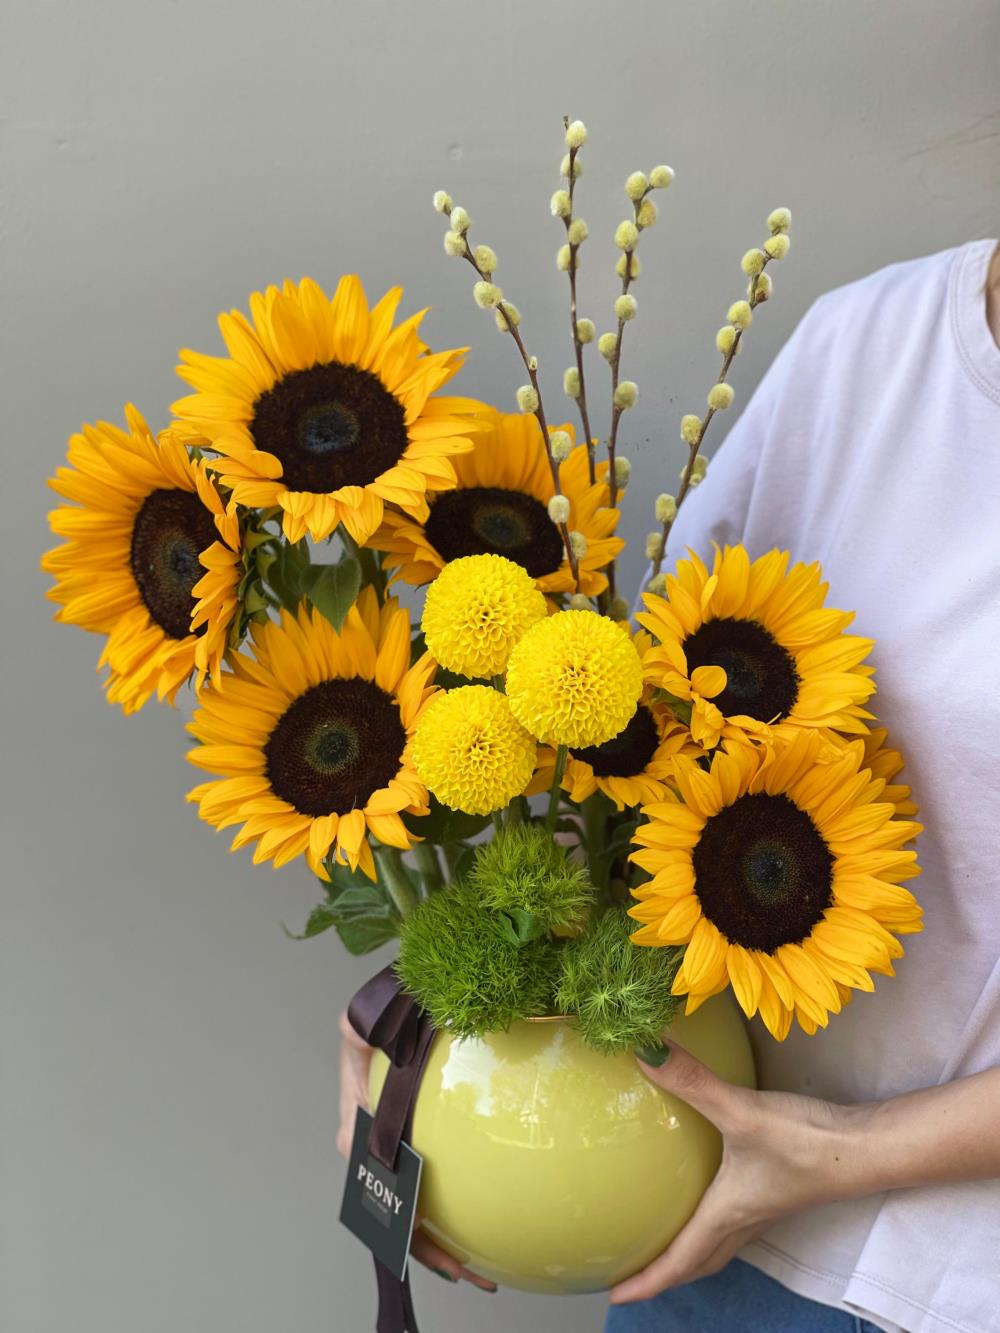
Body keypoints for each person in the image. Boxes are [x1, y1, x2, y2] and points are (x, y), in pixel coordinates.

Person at [338, 237, 1000, 1332]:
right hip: (717, 1216)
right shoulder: (866, 348)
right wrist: (434, 1006)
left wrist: (841, 1152)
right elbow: (633, 747)